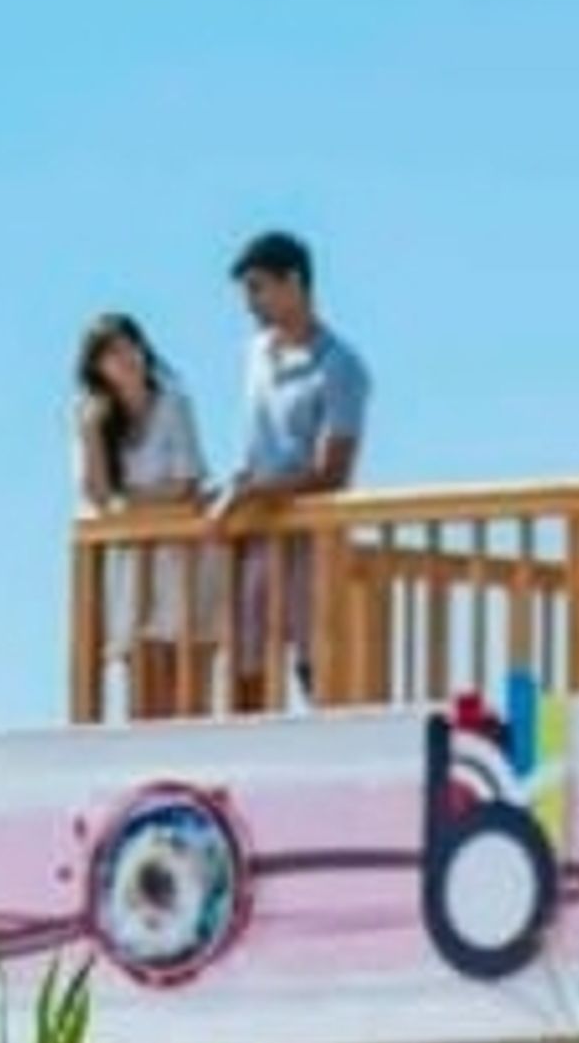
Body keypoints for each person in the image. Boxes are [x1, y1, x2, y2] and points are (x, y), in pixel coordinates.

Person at [212, 229, 373, 715]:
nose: (250, 303)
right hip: (257, 531)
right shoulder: (257, 355)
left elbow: (332, 470)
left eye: (258, 288)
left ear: (294, 282)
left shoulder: (340, 367)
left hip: (308, 532)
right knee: (247, 659)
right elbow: (257, 440)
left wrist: (259, 490)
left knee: (314, 657)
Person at [75, 313, 215, 722]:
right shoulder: (96, 417)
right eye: (111, 353)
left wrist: (131, 503)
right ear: (97, 367)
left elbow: (186, 481)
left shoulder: (173, 404)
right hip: (133, 556)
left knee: (183, 660)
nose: (125, 359)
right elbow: (97, 494)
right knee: (140, 662)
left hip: (179, 551)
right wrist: (90, 433)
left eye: (129, 346)